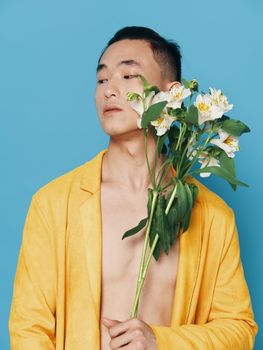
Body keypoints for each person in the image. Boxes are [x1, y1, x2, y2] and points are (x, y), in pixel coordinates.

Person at [8, 26, 258, 350]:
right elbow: (30, 329)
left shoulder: (212, 217)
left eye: (128, 76)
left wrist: (161, 341)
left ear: (171, 94)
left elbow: (239, 330)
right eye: (101, 79)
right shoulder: (54, 205)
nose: (109, 90)